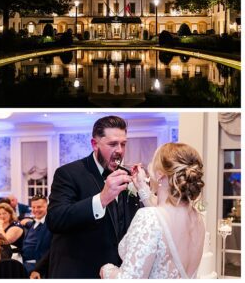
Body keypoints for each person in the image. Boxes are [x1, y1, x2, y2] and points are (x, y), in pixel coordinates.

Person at [45, 115, 141, 278]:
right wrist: (101, 199)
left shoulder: (128, 176)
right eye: (112, 144)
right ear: (94, 144)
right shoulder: (68, 173)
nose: (119, 150)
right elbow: (55, 219)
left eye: (123, 144)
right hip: (80, 273)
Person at [100, 143, 206, 278]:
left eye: (151, 162)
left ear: (160, 174)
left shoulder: (149, 218)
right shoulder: (198, 219)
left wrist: (107, 270)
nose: (148, 167)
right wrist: (142, 188)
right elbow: (162, 225)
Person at [22, 195, 53, 276]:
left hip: (40, 269)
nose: (36, 210)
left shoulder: (51, 225)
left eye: (39, 207)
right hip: (24, 265)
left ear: (47, 206)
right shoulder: (32, 224)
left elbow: (51, 251)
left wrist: (37, 269)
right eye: (33, 207)